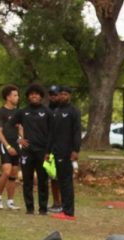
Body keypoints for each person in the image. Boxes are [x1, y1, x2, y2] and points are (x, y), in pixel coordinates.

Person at [12, 83, 52, 215]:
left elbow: (53, 132)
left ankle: (43, 209)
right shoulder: (22, 112)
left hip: (43, 152)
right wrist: (19, 140)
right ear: (28, 96)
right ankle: (29, 208)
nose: (34, 95)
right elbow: (8, 127)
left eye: (37, 93)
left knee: (43, 181)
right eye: (31, 94)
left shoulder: (47, 112)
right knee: (27, 180)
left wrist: (49, 151)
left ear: (41, 96)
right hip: (27, 152)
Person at [49, 86, 81, 221]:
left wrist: (75, 150)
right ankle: (64, 208)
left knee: (67, 182)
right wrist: (49, 150)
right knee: (61, 181)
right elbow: (52, 133)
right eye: (60, 94)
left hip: (67, 151)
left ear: (69, 96)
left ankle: (69, 212)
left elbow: (76, 132)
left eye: (65, 94)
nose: (62, 96)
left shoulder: (73, 111)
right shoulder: (56, 111)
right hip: (57, 151)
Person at [0, 84, 20, 211]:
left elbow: (20, 128)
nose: (17, 97)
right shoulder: (1, 112)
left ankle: (10, 201)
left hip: (16, 145)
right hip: (5, 145)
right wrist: (8, 146)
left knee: (14, 174)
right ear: (8, 97)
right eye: (15, 95)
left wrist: (23, 140)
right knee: (7, 171)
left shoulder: (18, 112)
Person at [46, 85, 63, 213]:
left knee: (61, 176)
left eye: (55, 94)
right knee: (52, 176)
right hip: (48, 147)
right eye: (51, 94)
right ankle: (56, 202)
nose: (53, 97)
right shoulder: (46, 110)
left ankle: (63, 202)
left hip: (61, 147)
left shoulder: (65, 110)